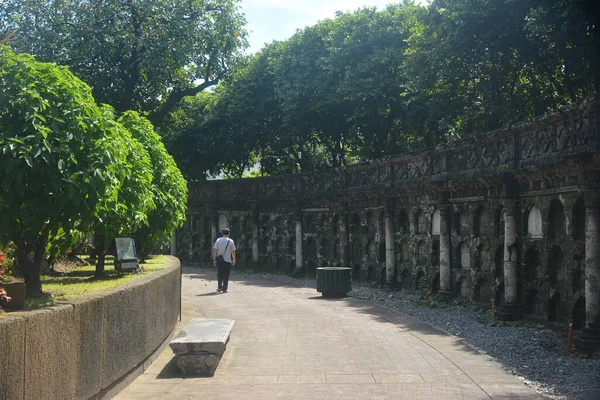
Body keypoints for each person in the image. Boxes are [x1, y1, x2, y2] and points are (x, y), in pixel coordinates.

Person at [213, 228, 236, 293]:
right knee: (226, 275)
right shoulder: (231, 241)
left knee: (220, 274)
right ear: (229, 233)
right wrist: (234, 259)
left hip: (220, 260)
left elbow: (215, 250)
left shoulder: (218, 240)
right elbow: (233, 251)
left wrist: (214, 259)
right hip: (228, 260)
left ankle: (219, 287)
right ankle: (224, 289)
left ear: (222, 233)